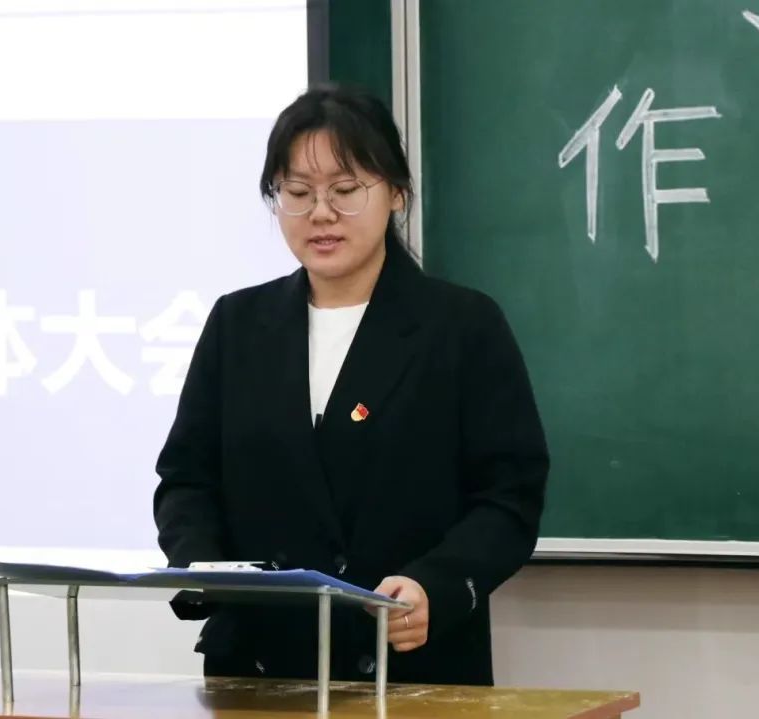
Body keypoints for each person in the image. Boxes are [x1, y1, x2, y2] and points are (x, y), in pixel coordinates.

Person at [152, 83, 549, 687]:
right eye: (297, 193)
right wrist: (206, 568)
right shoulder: (238, 324)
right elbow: (186, 480)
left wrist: (437, 587)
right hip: (258, 667)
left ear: (396, 192)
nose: (320, 213)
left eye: (344, 190)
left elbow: (509, 498)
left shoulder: (462, 326)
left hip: (408, 664)